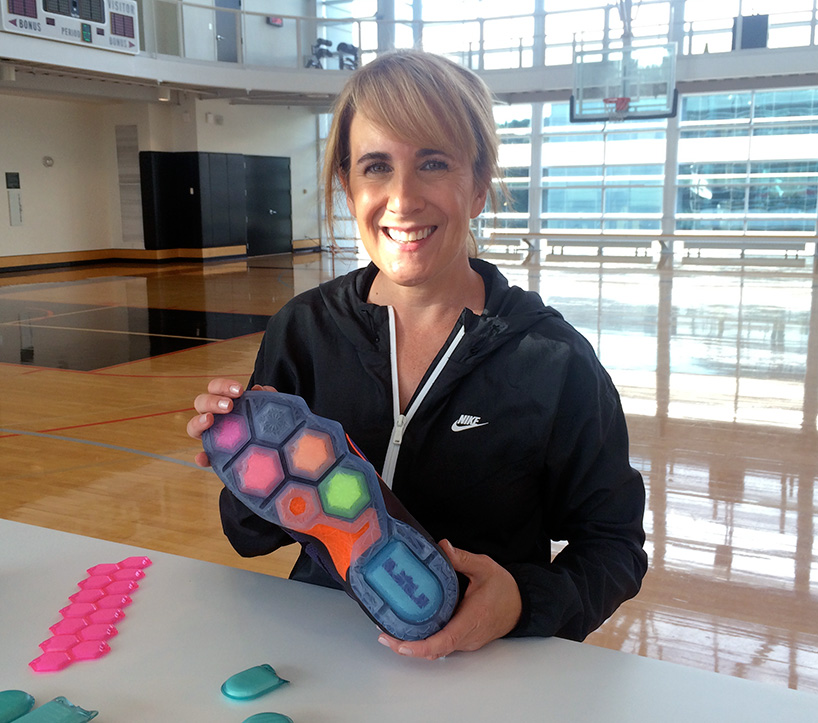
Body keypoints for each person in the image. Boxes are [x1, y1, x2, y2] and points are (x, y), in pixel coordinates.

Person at [187, 49, 647, 661]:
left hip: (487, 667)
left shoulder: (553, 361)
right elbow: (250, 536)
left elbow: (614, 547)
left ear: (478, 185)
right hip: (321, 650)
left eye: (433, 163)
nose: (402, 199)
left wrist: (522, 603)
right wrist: (242, 461)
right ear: (348, 186)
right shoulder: (305, 331)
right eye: (376, 167)